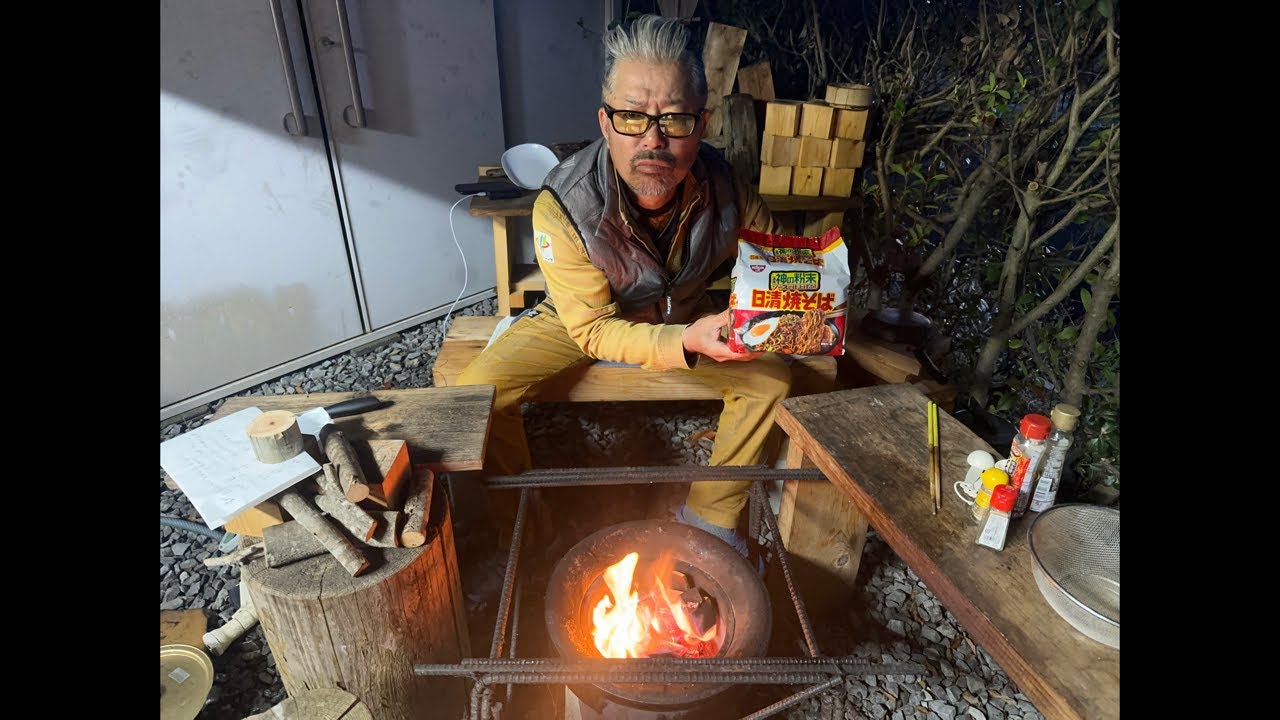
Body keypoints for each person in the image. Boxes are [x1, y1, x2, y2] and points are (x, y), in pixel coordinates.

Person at [457, 14, 788, 556]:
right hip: (585, 317)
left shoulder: (728, 188)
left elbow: (774, 260)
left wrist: (796, 302)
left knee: (771, 378)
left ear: (702, 125)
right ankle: (519, 528)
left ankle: (710, 523)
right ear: (606, 122)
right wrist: (682, 342)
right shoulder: (565, 205)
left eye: (675, 120)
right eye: (633, 117)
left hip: (683, 308)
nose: (653, 141)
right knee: (474, 395)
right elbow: (591, 329)